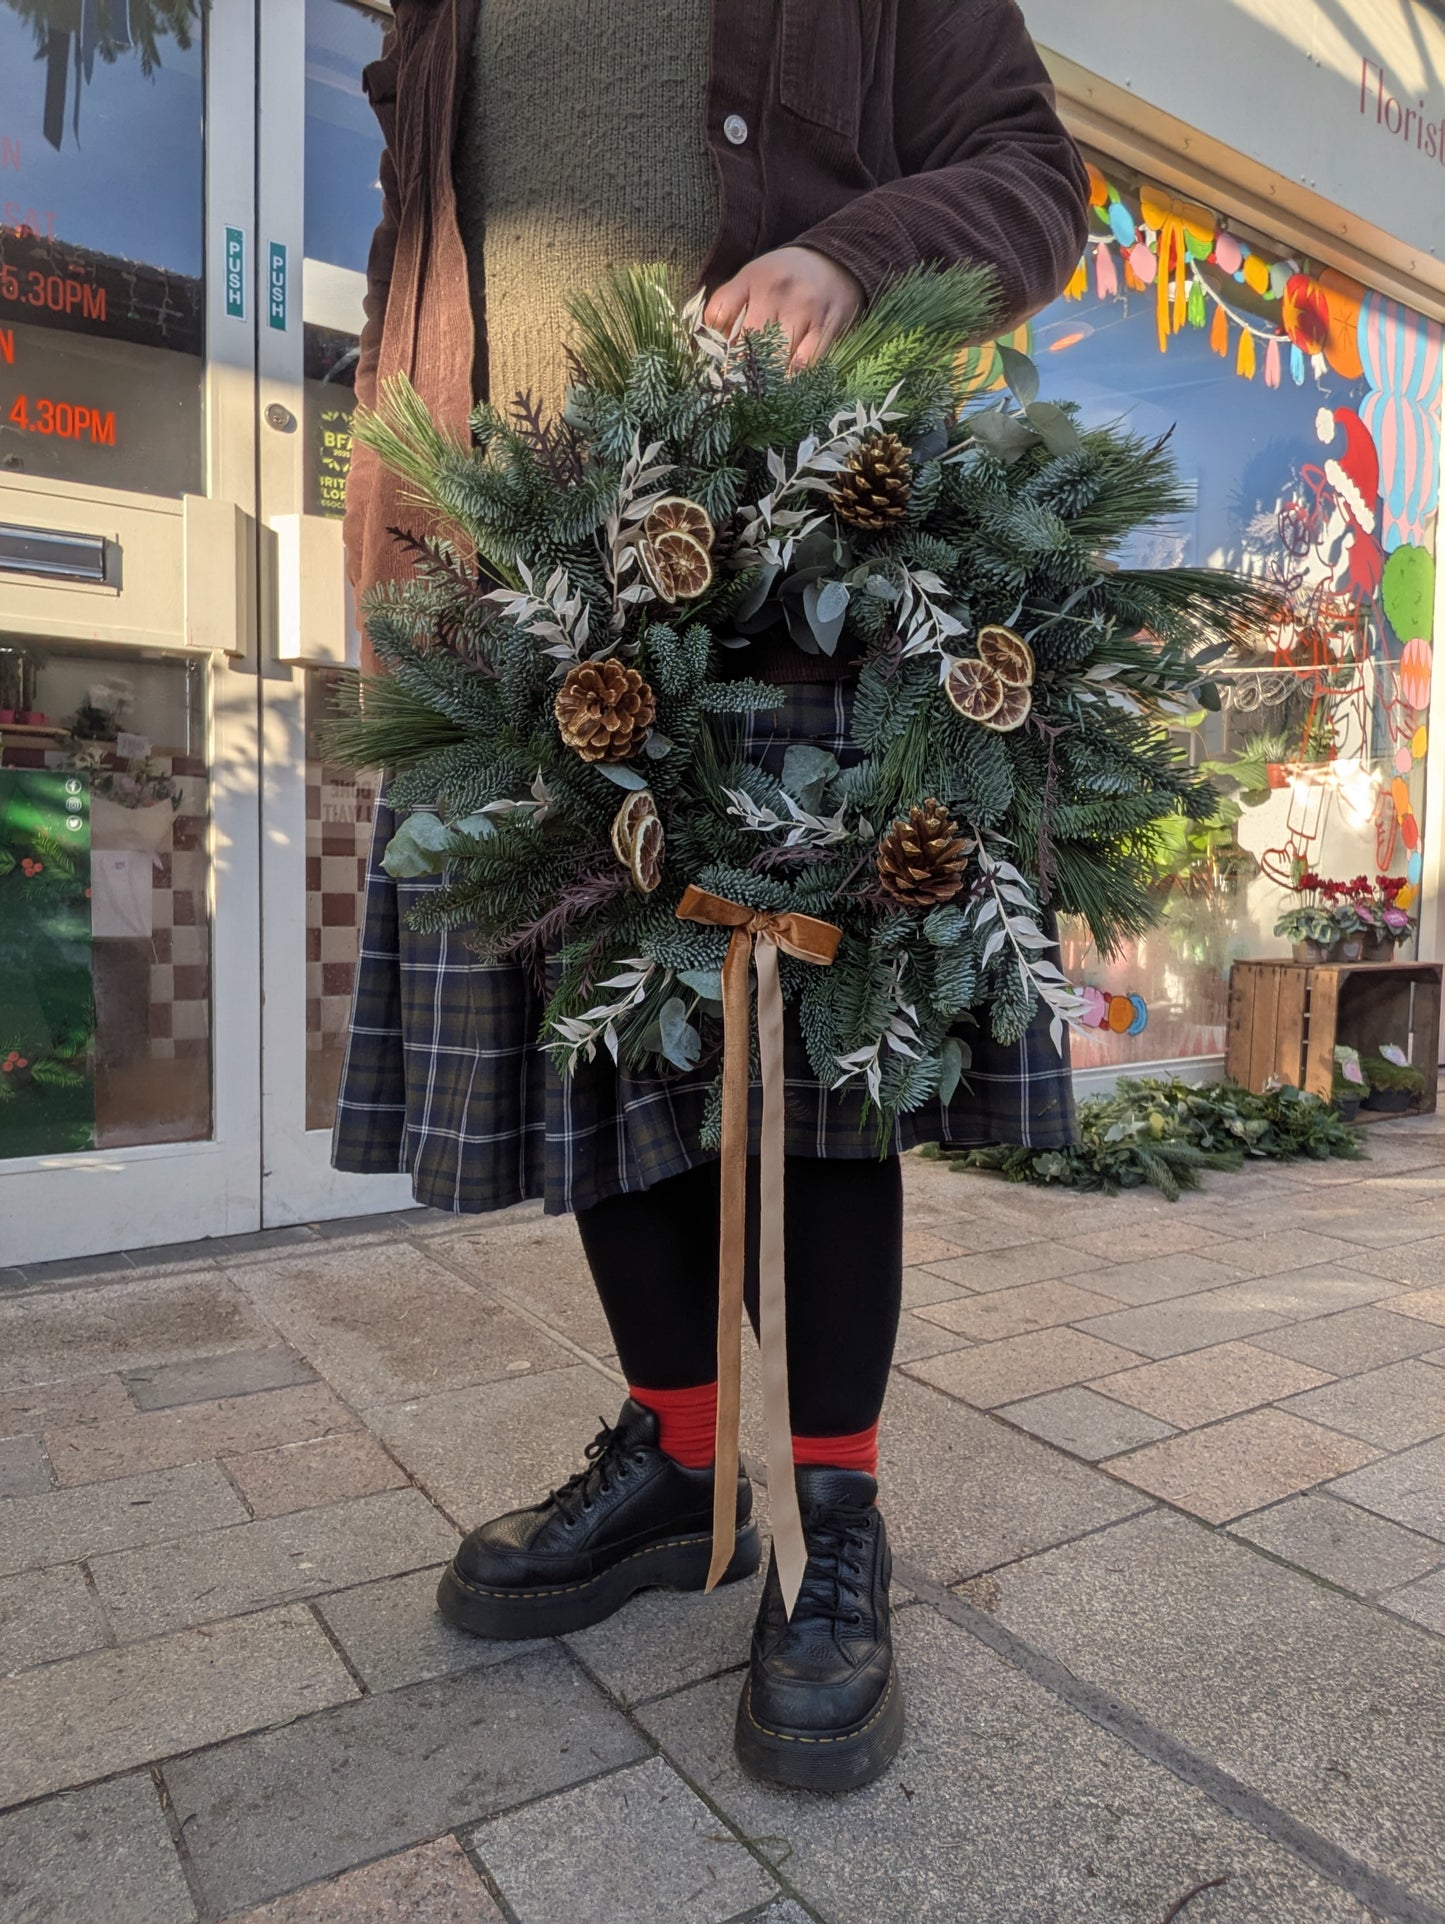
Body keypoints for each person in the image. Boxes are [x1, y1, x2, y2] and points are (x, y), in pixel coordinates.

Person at [337, 0, 1089, 1791]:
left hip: (787, 555)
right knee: (591, 1059)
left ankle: (835, 1515)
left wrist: (847, 254)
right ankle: (684, 1464)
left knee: (819, 1068)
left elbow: (1034, 181)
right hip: (501, 582)